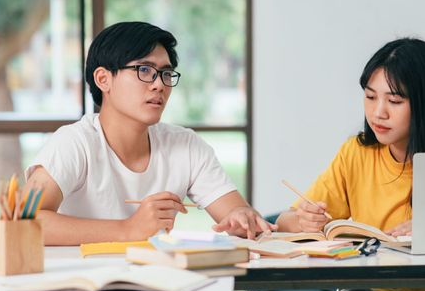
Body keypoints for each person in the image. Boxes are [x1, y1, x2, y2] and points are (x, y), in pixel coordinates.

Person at [24, 21, 276, 245]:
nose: (159, 84)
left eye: (166, 73)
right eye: (144, 70)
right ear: (103, 79)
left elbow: (237, 215)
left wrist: (242, 218)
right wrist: (128, 229)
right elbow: (23, 221)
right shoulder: (74, 143)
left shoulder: (185, 145)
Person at [276, 38, 425, 291]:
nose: (378, 113)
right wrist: (303, 220)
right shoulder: (356, 153)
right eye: (370, 97)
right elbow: (283, 222)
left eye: (394, 101)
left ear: (424, 103)